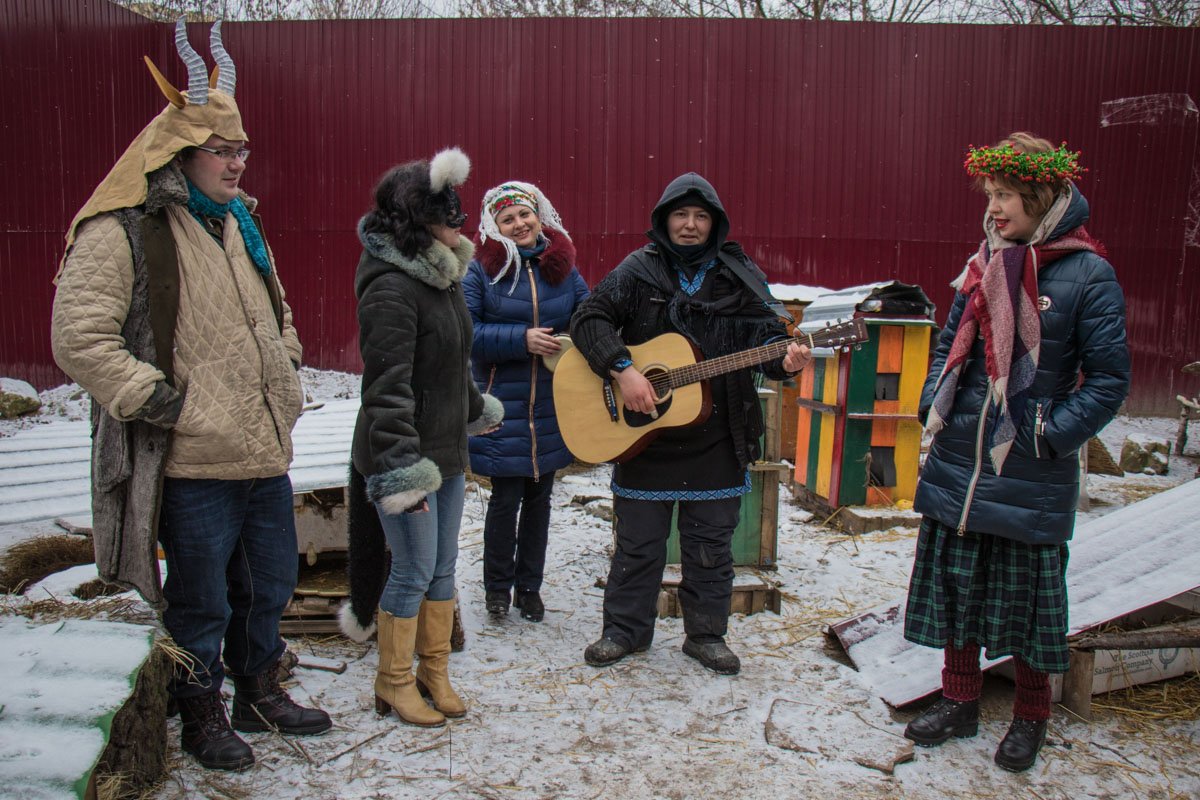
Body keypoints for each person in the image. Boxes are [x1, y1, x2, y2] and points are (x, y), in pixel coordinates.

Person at [50, 21, 329, 772]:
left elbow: (277, 309)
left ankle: (257, 690)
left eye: (243, 150)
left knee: (268, 585)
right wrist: (162, 402)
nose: (238, 162)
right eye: (223, 150)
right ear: (180, 153)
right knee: (202, 596)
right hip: (193, 456)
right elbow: (79, 338)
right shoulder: (125, 229)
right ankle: (199, 708)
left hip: (264, 447)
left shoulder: (240, 224)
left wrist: (289, 365)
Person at [903, 133, 1129, 772]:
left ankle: (1031, 718)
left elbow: (1110, 380)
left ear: (1042, 196)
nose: (994, 208)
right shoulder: (981, 262)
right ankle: (960, 702)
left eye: (1006, 196)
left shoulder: (1087, 274)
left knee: (1030, 608)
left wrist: (1047, 434)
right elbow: (951, 341)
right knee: (961, 591)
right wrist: (933, 402)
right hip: (961, 464)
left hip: (1028, 472)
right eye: (991, 195)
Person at [569, 172, 811, 675]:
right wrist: (623, 369)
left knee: (710, 546)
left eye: (701, 216)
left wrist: (784, 362)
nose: (690, 224)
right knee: (636, 544)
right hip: (645, 435)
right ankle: (624, 632)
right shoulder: (639, 269)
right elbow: (588, 318)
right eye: (681, 214)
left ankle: (706, 636)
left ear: (715, 223)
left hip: (719, 433)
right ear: (664, 219)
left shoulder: (739, 274)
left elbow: (769, 340)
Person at [338, 149, 503, 728]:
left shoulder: (442, 275)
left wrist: (477, 407)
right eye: (447, 213)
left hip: (447, 446)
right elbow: (387, 389)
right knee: (410, 568)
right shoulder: (392, 288)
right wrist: (403, 470)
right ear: (417, 216)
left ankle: (434, 671)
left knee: (441, 568)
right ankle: (393, 681)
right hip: (403, 452)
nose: (460, 223)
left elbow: (452, 361)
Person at [463, 182, 590, 623]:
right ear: (494, 227)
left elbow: (589, 318)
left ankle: (529, 589)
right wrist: (521, 339)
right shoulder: (482, 272)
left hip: (555, 406)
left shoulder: (564, 269)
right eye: (507, 219)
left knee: (540, 501)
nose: (519, 224)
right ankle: (497, 589)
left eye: (523, 215)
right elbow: (467, 332)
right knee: (505, 500)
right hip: (503, 407)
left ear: (539, 216)